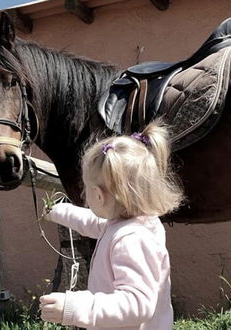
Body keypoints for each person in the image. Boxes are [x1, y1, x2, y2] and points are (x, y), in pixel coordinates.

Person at [39, 120, 184, 330]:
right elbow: (91, 222)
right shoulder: (130, 224)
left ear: (98, 195)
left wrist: (76, 307)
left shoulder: (131, 240)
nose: (84, 194)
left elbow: (137, 304)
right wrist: (58, 212)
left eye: (86, 188)